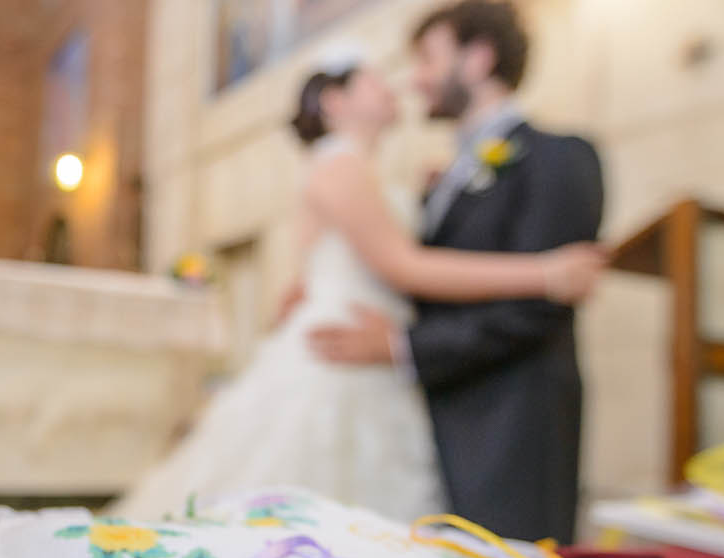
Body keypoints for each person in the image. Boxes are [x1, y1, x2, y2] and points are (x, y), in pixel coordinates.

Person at [113, 57, 604, 524]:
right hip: (343, 357)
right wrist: (545, 274)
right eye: (375, 80)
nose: (396, 87)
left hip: (377, 357)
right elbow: (404, 266)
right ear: (334, 100)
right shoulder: (341, 165)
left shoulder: (365, 171)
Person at [310, 0, 602, 543]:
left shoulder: (561, 157)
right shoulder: (442, 180)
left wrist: (404, 347)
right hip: (434, 427)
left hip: (509, 434)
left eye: (427, 59)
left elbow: (535, 309)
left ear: (478, 59)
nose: (415, 80)